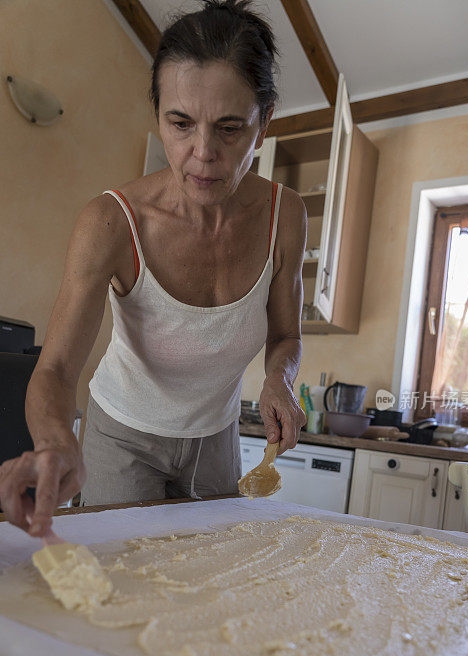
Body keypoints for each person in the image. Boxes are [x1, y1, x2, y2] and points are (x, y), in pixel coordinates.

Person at [0, 0, 306, 538]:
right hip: (123, 438)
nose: (202, 153)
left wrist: (279, 379)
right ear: (158, 114)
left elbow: (285, 336)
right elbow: (53, 372)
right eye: (181, 123)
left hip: (218, 441)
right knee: (125, 588)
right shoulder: (112, 223)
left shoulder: (286, 216)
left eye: (230, 128)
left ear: (265, 124)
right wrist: (55, 442)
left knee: (206, 589)